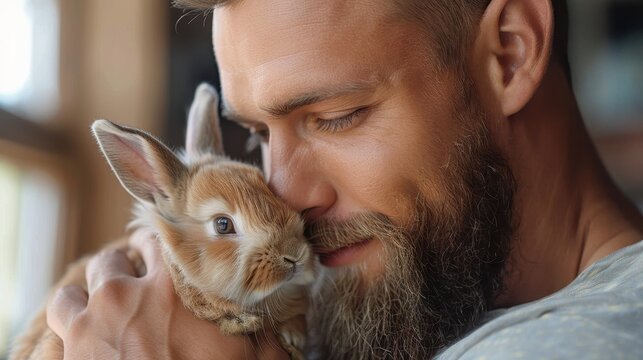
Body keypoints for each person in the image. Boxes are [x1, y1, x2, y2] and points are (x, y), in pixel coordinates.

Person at [46, 0, 643, 358]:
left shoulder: (584, 340)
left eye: (336, 117)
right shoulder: (412, 304)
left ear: (510, 55)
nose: (285, 196)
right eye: (258, 136)